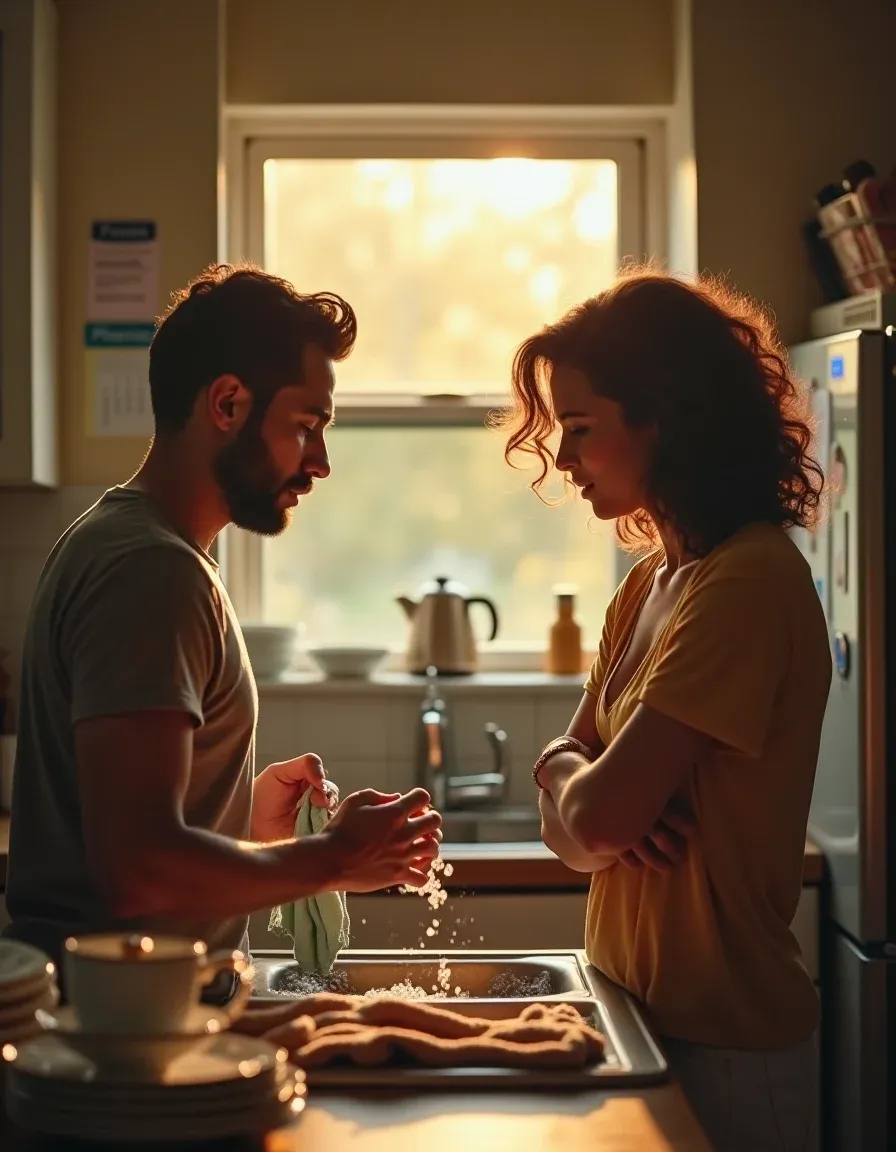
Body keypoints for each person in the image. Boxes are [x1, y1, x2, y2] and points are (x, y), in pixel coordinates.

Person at [4, 264, 441, 990]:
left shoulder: (143, 548)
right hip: (123, 1033)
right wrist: (334, 857)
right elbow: (139, 872)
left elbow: (132, 835)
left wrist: (240, 819)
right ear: (229, 404)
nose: (321, 463)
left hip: (125, 1014)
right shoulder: (150, 571)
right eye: (306, 426)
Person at [500, 269, 830, 1152]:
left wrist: (582, 787)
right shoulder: (651, 582)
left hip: (727, 1046)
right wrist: (568, 776)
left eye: (580, 430)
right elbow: (575, 832)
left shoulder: (747, 580)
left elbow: (597, 819)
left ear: (663, 419)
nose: (563, 459)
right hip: (635, 1015)